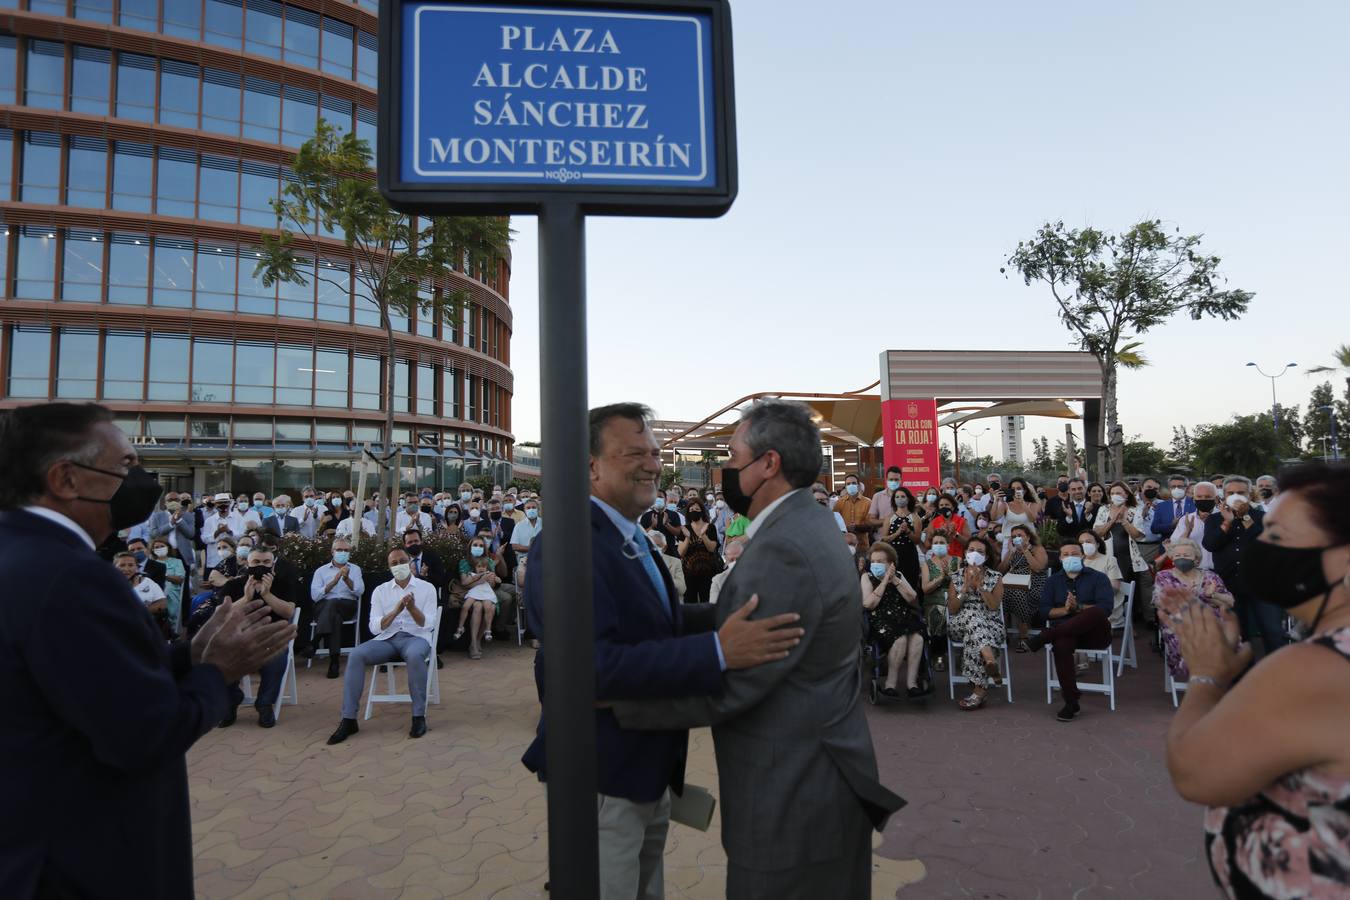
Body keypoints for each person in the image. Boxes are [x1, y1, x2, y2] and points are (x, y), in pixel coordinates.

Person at [612, 400, 903, 899]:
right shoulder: (804, 524)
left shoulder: (785, 547)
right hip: (813, 779)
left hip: (793, 795)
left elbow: (737, 679)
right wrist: (661, 617)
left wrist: (614, 702)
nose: (725, 468)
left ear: (768, 464)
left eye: (732, 454)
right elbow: (744, 616)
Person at [0, 402, 292, 898]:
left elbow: (89, 680)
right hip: (81, 863)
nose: (142, 480)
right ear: (66, 478)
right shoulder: (74, 577)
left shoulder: (21, 554)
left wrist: (187, 655)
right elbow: (143, 733)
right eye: (126, 466)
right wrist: (217, 671)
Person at [524, 403, 805, 900]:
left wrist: (736, 609)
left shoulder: (632, 535)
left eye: (654, 452)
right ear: (591, 465)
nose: (652, 463)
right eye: (633, 452)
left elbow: (661, 622)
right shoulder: (568, 545)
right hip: (601, 775)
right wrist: (718, 652)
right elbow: (592, 669)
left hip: (646, 771)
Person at [1162, 461, 1350, 900]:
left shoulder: (1315, 668)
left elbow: (1195, 772)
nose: (1261, 547)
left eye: (1278, 539)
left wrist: (1209, 673)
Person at [328, 547, 440, 744]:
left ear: (410, 562)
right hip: (387, 639)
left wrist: (412, 609)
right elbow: (374, 627)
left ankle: (418, 716)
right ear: (389, 567)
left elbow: (427, 624)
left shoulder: (426, 588)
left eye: (402, 561)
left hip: (416, 637)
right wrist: (396, 611)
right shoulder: (381, 591)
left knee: (415, 656)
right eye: (394, 563)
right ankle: (349, 719)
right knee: (356, 655)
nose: (399, 566)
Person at [189, 546, 296, 728]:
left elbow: (288, 612)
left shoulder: (283, 583)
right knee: (218, 657)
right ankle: (230, 702)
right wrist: (246, 597)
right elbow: (221, 614)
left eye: (266, 562)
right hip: (237, 637)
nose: (261, 566)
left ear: (272, 564)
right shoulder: (234, 585)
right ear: (247, 563)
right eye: (256, 562)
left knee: (277, 657)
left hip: (271, 638)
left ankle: (264, 703)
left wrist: (267, 594)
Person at [1025, 542, 1116, 722]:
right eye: (1065, 554)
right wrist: (1067, 610)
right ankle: (1071, 701)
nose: (1070, 556)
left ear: (1082, 556)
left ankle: (1045, 636)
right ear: (1060, 558)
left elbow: (1106, 608)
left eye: (1074, 553)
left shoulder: (1099, 578)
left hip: (1095, 634)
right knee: (1061, 645)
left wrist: (1079, 607)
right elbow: (1044, 611)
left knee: (1096, 611)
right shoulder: (1053, 581)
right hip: (1065, 634)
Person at [1206, 475, 1286, 656]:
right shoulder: (1214, 519)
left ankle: (1280, 675)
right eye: (1231, 493)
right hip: (1229, 584)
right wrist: (1227, 522)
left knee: (1272, 632)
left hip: (1261, 584)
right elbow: (1210, 544)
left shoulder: (1263, 517)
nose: (1236, 496)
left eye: (1240, 492)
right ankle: (1241, 676)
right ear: (1224, 495)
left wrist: (1245, 517)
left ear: (1250, 495)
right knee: (1237, 635)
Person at [1152, 538, 1234, 681]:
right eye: (1177, 555)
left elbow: (1230, 602)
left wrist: (1212, 595)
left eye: (1186, 555)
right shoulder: (1164, 576)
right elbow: (1159, 603)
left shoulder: (1210, 576)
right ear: (1171, 558)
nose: (1181, 558)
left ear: (1196, 559)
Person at [946, 534, 1006, 711]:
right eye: (971, 550)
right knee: (972, 615)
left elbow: (994, 606)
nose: (975, 554)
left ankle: (978, 693)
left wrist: (980, 586)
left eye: (980, 552)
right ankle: (988, 658)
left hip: (991, 625)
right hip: (960, 623)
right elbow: (953, 609)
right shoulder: (956, 576)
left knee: (975, 637)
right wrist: (964, 589)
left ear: (986, 557)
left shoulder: (995, 577)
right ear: (965, 553)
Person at [862, 542, 925, 698]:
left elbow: (912, 598)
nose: (875, 564)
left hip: (902, 616)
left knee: (917, 638)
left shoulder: (899, 576)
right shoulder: (867, 577)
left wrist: (894, 580)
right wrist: (884, 582)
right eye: (873, 561)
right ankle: (891, 684)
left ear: (890, 564)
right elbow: (869, 604)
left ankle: (912, 684)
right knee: (901, 639)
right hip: (880, 620)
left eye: (880, 561)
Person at [309, 538, 364, 678]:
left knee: (333, 605)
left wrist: (347, 580)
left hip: (347, 605)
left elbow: (359, 591)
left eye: (346, 550)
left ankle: (316, 640)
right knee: (334, 615)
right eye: (339, 550)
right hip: (323, 607)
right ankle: (334, 661)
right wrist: (333, 583)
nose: (343, 552)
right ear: (332, 552)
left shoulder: (355, 569)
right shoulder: (321, 571)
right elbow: (315, 595)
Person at [1092, 482, 1148, 603]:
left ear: (1126, 494)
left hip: (1127, 559)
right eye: (1112, 493)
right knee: (1109, 587)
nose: (1114, 496)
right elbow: (1097, 533)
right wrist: (1112, 521)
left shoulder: (1135, 510)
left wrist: (1124, 520)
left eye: (1118, 493)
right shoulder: (1103, 509)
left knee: (1126, 591)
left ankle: (1127, 617)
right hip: (1107, 556)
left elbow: (1137, 535)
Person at [999, 522, 1048, 651]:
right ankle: (1002, 633)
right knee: (999, 595)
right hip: (1012, 583)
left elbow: (1038, 568)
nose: (1016, 538)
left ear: (1028, 537)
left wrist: (1025, 550)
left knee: (1017, 594)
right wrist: (1009, 552)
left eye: (1019, 535)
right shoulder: (1013, 551)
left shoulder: (1037, 549)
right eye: (1013, 536)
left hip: (1033, 583)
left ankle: (1023, 637)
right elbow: (1001, 570)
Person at [919, 533, 957, 672]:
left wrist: (951, 576)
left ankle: (964, 653)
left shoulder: (957, 561)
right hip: (934, 600)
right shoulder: (927, 564)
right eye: (936, 543)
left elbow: (961, 585)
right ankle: (939, 655)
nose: (939, 545)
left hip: (954, 599)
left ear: (948, 545)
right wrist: (941, 577)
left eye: (942, 542)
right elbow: (925, 589)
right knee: (938, 616)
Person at [678, 497, 722, 603]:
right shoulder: (685, 529)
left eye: (697, 509)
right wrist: (688, 537)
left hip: (709, 572)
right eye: (691, 510)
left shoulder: (710, 527)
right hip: (689, 573)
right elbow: (681, 552)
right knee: (690, 603)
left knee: (707, 603)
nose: (694, 511)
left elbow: (712, 548)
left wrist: (703, 535)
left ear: (702, 511)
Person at [1171, 479, 1221, 570]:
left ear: (1216, 499)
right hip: (1193, 571)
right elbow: (1175, 545)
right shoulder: (1186, 519)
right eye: (1199, 496)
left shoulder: (1225, 518)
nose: (1203, 499)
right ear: (1194, 499)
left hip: (1219, 570)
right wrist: (1187, 531)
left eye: (1208, 497)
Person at [151, 536, 187, 634]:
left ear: (168, 547)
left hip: (172, 594)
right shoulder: (151, 564)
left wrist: (163, 574)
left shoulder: (176, 562)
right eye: (156, 547)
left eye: (161, 546)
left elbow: (180, 579)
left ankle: (173, 635)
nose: (159, 549)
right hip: (155, 594)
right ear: (153, 550)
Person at [865, 466, 905, 541]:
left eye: (896, 479)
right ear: (886, 480)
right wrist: (889, 520)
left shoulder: (907, 497)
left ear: (901, 480)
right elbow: (871, 520)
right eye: (891, 479)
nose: (893, 482)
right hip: (882, 540)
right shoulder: (877, 496)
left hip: (903, 540)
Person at [648, 529, 688, 601]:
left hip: (671, 602)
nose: (655, 549)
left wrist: (667, 577)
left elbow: (682, 589)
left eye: (658, 545)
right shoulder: (642, 562)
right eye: (651, 546)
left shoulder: (675, 562)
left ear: (664, 548)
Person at [835, 472, 872, 543]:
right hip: (844, 545)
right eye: (848, 484)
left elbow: (870, 526)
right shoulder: (839, 503)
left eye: (853, 483)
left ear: (858, 485)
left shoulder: (867, 502)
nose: (851, 485)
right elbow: (835, 523)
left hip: (862, 545)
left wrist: (856, 527)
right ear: (845, 487)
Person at [708, 535, 744, 605]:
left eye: (738, 559)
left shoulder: (757, 576)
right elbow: (714, 606)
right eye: (732, 560)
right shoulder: (718, 580)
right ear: (726, 559)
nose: (735, 562)